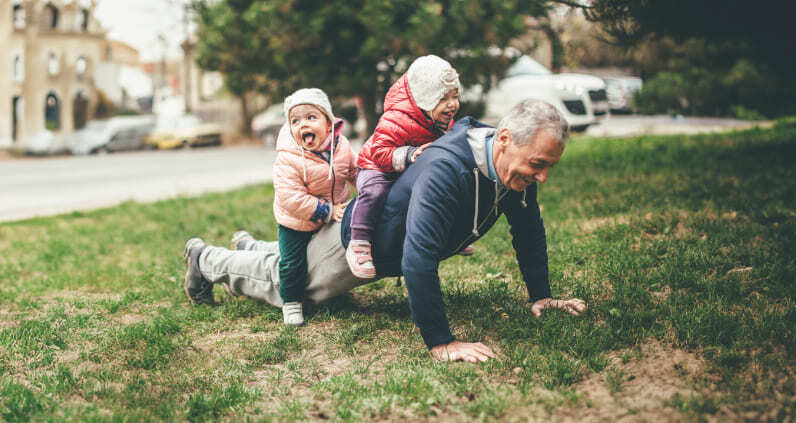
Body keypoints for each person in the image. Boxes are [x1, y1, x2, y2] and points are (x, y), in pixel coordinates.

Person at [183, 99, 586, 362]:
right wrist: (441, 341)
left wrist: (542, 296)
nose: (543, 176)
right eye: (537, 164)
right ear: (504, 139)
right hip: (357, 244)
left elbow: (529, 230)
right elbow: (418, 257)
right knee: (286, 282)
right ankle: (206, 260)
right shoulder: (449, 169)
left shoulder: (511, 170)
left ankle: (251, 246)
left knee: (290, 259)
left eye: (550, 166)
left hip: (376, 241)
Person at [347, 55, 466, 279]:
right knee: (375, 192)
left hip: (408, 165)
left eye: (455, 96)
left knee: (437, 189)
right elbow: (379, 152)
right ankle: (359, 243)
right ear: (424, 99)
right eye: (443, 99)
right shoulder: (396, 118)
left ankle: (448, 234)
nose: (452, 104)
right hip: (376, 165)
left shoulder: (440, 120)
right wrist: (410, 154)